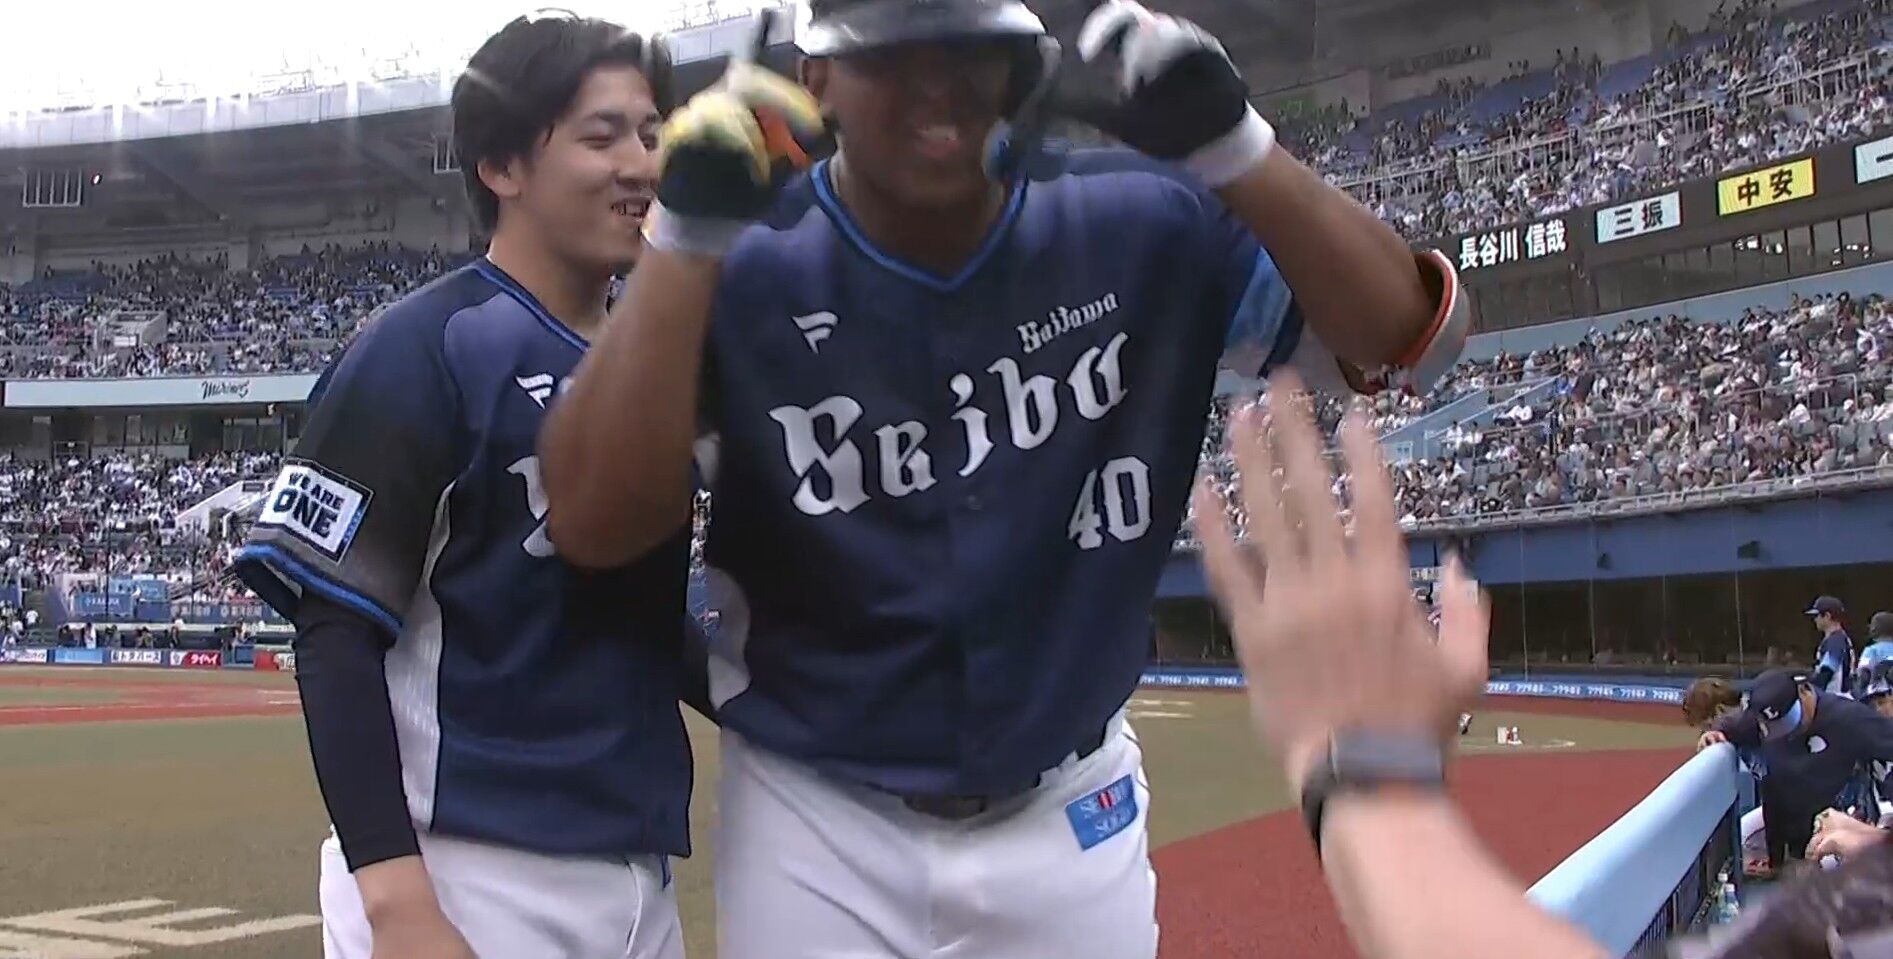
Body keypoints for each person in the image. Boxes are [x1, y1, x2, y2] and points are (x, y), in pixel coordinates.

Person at [540, 1, 1470, 955]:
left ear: (1021, 63)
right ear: (817, 81)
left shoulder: (1138, 216)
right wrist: (681, 242)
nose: (936, 87)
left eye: (969, 51)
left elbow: (1409, 338)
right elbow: (591, 524)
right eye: (894, 59)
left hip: (1071, 801)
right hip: (814, 820)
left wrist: (1240, 148)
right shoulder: (738, 264)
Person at [233, 14, 691, 959]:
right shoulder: (425, 346)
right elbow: (334, 632)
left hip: (638, 871)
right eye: (601, 136)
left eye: (651, 135)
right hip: (465, 871)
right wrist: (396, 899)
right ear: (501, 165)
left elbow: (648, 622)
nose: (638, 164)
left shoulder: (658, 361)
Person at [1700, 669, 1893, 873]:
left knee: (1831, 866)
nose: (1790, 730)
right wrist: (1715, 734)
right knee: (1742, 840)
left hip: (1833, 820)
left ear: (1804, 691)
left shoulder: (1848, 718)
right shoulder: (1762, 716)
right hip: (1783, 821)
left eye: (1791, 719)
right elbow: (1732, 726)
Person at [1808, 595, 1854, 695]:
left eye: (1817, 616)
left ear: (1827, 616)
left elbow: (1826, 672)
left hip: (1834, 697)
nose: (1815, 620)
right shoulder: (1839, 638)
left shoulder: (1835, 641)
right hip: (1840, 697)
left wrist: (1809, 690)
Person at [1854, 611, 1893, 697]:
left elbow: (1864, 673)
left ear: (1874, 629)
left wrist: (1859, 694)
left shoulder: (1871, 650)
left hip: (1879, 698)